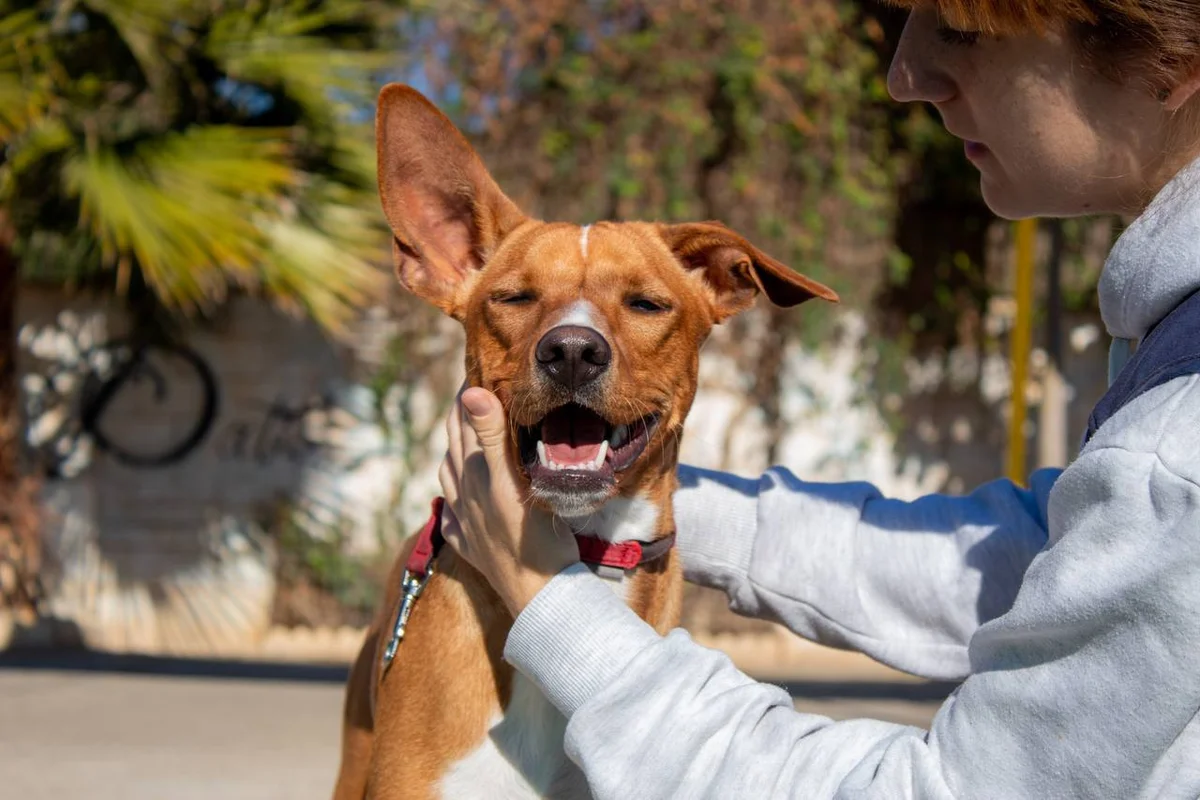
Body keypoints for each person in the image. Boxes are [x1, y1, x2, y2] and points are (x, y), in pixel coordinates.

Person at [437, 2, 1200, 796]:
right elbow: (1040, 560)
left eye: (961, 27)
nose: (904, 76)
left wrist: (549, 601)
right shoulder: (1174, 354)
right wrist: (628, 506)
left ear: (1176, 56)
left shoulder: (1179, 444)